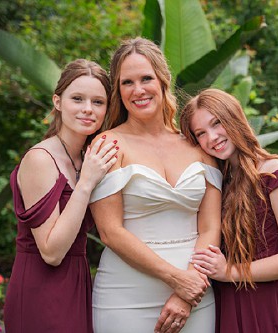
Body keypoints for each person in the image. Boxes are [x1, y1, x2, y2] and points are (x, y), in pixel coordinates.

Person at [89, 37, 222, 333]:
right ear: (117, 90)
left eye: (146, 78)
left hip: (196, 293)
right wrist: (176, 279)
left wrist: (189, 290)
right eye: (127, 82)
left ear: (163, 80)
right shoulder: (109, 144)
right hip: (125, 298)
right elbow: (110, 232)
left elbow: (211, 227)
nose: (138, 90)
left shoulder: (197, 144)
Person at [180, 88, 278, 333]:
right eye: (201, 133)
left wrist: (228, 271)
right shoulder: (218, 182)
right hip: (222, 304)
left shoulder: (277, 175)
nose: (212, 137)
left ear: (234, 117)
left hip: (264, 306)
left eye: (216, 123)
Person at [3, 59, 118, 332]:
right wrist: (86, 182)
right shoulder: (40, 160)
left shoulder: (88, 157)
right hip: (41, 288)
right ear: (58, 102)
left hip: (78, 282)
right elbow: (52, 252)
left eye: (98, 102)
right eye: (77, 98)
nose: (88, 109)